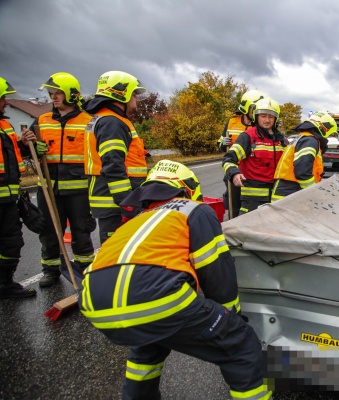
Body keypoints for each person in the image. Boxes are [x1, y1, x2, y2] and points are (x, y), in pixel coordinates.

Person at [79, 160, 270, 400]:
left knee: (148, 343)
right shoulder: (194, 209)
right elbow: (215, 271)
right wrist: (230, 319)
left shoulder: (138, 220)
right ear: (189, 189)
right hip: (157, 298)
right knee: (240, 345)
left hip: (94, 304)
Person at [25, 72, 95, 287]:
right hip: (49, 188)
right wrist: (30, 146)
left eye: (58, 93)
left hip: (78, 189)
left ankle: (86, 270)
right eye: (51, 93)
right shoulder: (41, 121)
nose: (54, 97)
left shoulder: (89, 121)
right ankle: (51, 271)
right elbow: (27, 150)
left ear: (71, 95)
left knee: (81, 230)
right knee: (49, 231)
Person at [83, 71, 148, 243]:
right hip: (116, 205)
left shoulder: (108, 119)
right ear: (122, 94)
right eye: (134, 94)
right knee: (117, 254)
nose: (137, 100)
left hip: (115, 203)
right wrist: (127, 202)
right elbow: (113, 165)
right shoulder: (112, 123)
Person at [0, 77, 38, 298]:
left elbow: (13, 157)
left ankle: (5, 283)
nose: (5, 102)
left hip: (9, 197)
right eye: (3, 98)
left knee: (12, 242)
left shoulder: (5, 125)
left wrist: (25, 144)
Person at [222, 97, 286, 215]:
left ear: (275, 118)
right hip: (252, 203)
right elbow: (228, 159)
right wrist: (234, 173)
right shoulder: (247, 137)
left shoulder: (281, 140)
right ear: (256, 117)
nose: (267, 120)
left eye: (270, 117)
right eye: (263, 116)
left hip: (276, 199)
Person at [218, 90, 265, 218]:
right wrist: (223, 143)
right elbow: (221, 143)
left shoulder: (260, 125)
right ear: (246, 108)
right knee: (233, 205)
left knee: (249, 207)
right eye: (254, 108)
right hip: (233, 168)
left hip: (251, 172)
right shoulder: (232, 122)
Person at [271, 111, 337, 202]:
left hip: (287, 193)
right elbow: (302, 171)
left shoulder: (303, 138)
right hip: (290, 196)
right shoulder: (310, 141)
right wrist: (313, 192)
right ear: (325, 128)